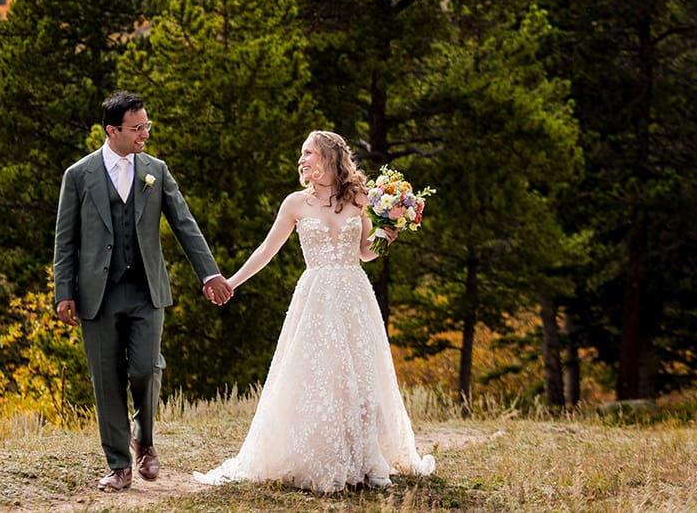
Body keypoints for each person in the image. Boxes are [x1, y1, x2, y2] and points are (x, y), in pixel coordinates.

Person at [193, 130, 436, 493]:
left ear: (329, 157)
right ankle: (321, 455)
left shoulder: (359, 197)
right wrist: (232, 281)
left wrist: (388, 232)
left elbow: (366, 253)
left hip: (354, 294)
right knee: (321, 376)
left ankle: (366, 457)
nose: (302, 160)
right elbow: (266, 250)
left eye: (309, 153)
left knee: (361, 374)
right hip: (316, 298)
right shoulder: (295, 203)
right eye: (302, 154)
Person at [54, 91, 234, 492]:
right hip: (96, 296)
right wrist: (63, 291)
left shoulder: (157, 171)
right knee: (107, 379)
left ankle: (145, 440)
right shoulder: (78, 175)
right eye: (137, 128)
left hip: (146, 292)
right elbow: (64, 240)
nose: (145, 135)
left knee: (145, 369)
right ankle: (119, 465)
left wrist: (210, 275)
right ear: (112, 131)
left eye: (147, 126)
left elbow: (185, 225)